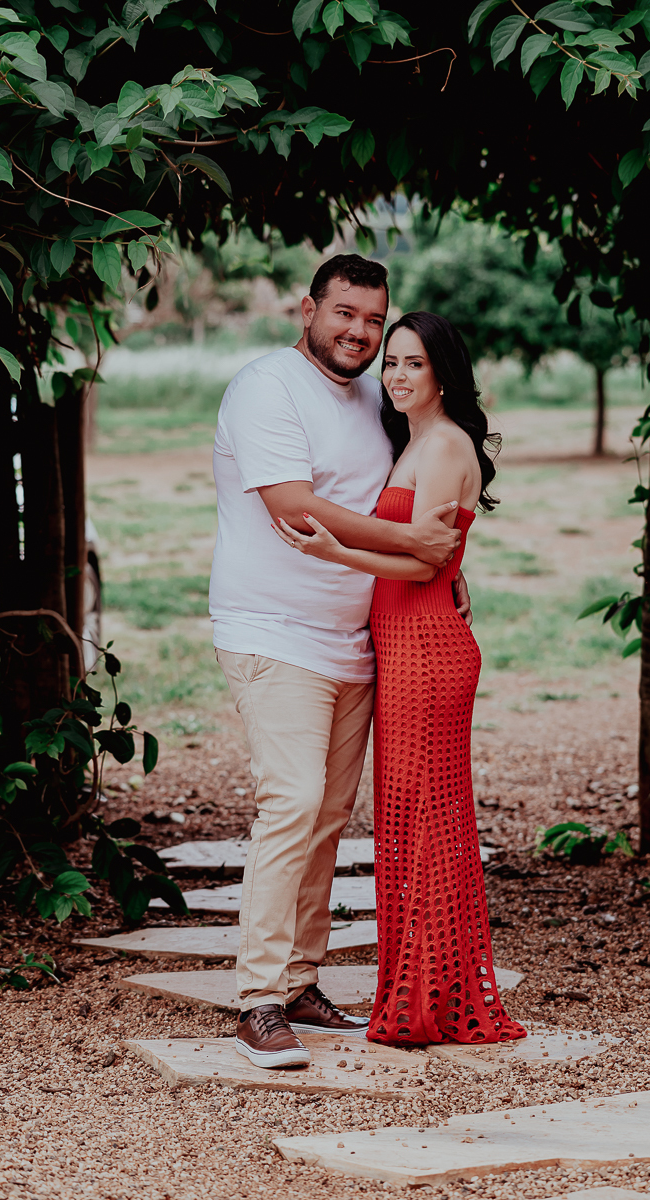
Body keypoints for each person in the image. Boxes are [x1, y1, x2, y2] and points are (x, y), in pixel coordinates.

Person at [210, 256, 472, 1069]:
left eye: (373, 318)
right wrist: (417, 548)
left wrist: (446, 568)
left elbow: (421, 486)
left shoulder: (374, 391)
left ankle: (297, 980)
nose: (360, 332)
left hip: (357, 638)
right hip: (274, 631)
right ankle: (256, 999)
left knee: (327, 817)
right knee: (289, 804)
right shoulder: (267, 388)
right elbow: (292, 507)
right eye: (344, 314)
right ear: (308, 308)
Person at [274, 311, 526, 1047]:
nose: (395, 376)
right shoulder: (419, 439)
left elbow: (424, 563)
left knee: (425, 823)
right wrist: (454, 568)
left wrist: (333, 553)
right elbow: (439, 550)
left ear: (443, 371)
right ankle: (427, 996)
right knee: (412, 821)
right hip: (406, 642)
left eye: (412, 363)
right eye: (390, 363)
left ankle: (432, 1004)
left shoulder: (443, 444)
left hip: (427, 649)